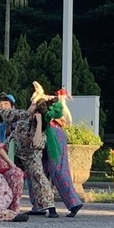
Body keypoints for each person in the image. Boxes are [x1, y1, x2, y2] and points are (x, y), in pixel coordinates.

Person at [0, 98, 59, 218]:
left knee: (38, 176)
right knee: (2, 166)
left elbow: (36, 143)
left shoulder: (41, 127)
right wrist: (0, 113)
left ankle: (51, 207)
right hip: (13, 147)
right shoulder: (23, 115)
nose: (30, 107)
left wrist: (39, 122)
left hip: (31, 154)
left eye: (33, 105)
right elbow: (6, 114)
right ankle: (4, 202)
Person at [29, 84, 83, 217]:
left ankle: (72, 202)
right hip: (54, 133)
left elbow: (30, 113)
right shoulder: (50, 102)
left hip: (49, 132)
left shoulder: (41, 103)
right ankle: (41, 205)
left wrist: (38, 96)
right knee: (45, 169)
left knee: (48, 169)